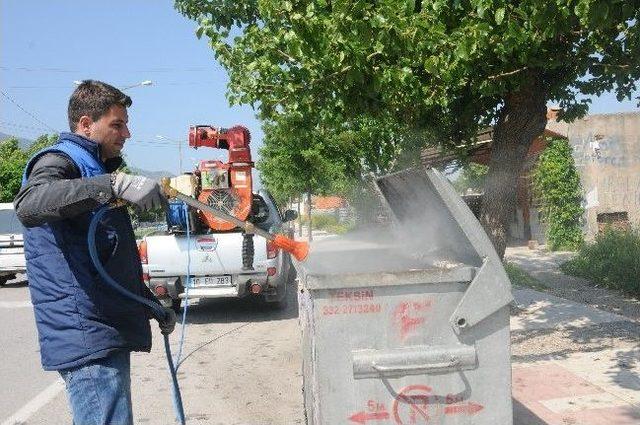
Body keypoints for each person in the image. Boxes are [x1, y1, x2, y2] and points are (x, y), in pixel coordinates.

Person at [14, 80, 176, 425]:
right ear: (85, 124)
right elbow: (29, 204)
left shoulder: (94, 168)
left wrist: (149, 304)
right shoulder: (60, 161)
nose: (127, 133)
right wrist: (112, 185)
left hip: (101, 328)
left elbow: (108, 258)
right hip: (85, 331)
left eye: (126, 123)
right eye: (117, 124)